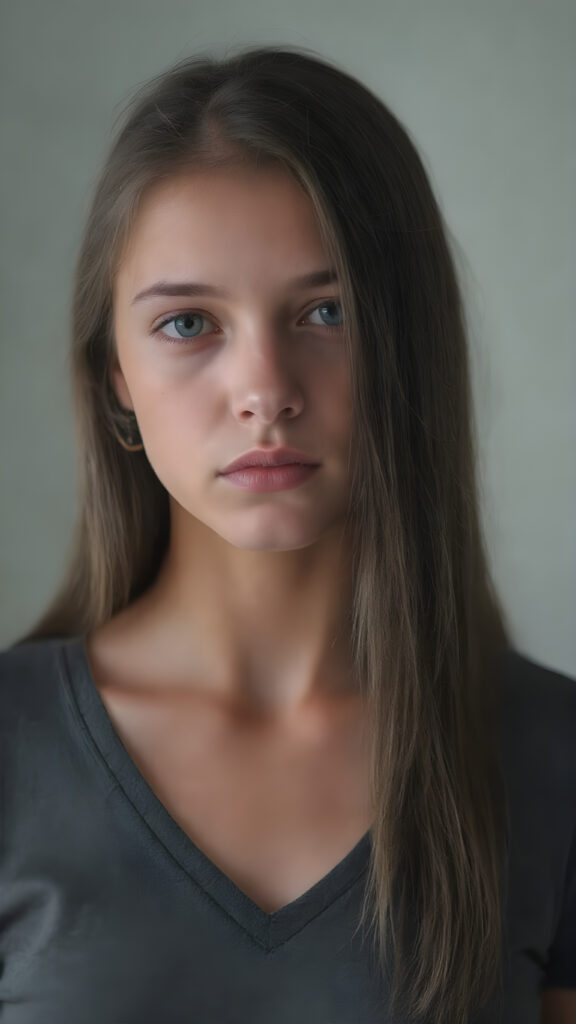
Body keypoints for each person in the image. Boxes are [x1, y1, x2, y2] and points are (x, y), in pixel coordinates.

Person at [0, 44, 574, 1024]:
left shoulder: (551, 755)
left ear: (410, 346)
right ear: (116, 380)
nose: (265, 390)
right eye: (189, 324)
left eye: (327, 311)